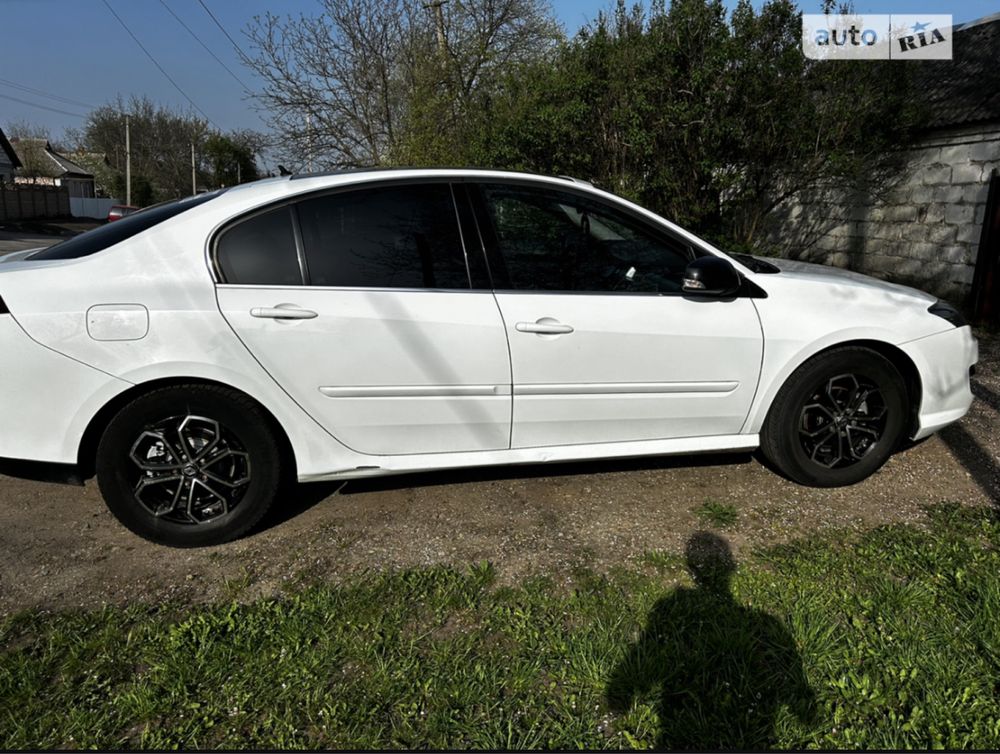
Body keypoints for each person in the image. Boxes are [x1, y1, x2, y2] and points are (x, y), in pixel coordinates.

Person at [607, 531, 816, 749]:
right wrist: (803, 707)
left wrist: (622, 692)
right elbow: (788, 670)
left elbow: (647, 653)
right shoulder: (763, 623)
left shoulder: (670, 609)